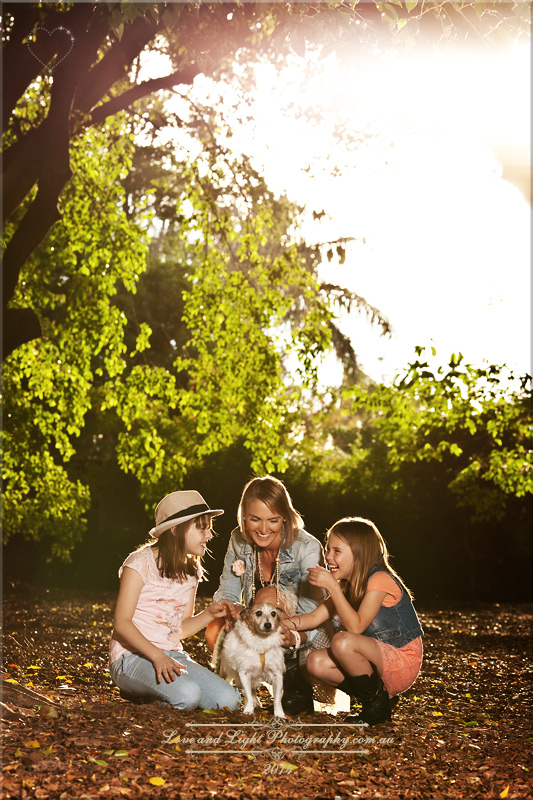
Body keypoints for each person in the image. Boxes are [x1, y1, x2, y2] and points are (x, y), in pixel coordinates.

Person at [283, 516, 423, 725]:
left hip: (401, 659)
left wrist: (331, 587)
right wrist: (280, 624)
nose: (328, 556)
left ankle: (375, 706)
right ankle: (378, 699)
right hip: (376, 659)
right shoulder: (346, 587)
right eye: (327, 549)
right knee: (315, 663)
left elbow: (356, 627)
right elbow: (314, 618)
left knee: (342, 641)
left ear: (359, 554)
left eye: (336, 551)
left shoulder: (379, 579)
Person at [206, 476, 328, 714]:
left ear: (285, 517)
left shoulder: (307, 547)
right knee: (216, 626)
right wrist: (233, 614)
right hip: (260, 618)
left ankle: (294, 681)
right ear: (243, 517)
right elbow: (228, 592)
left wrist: (295, 635)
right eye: (254, 519)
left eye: (273, 520)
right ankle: (246, 686)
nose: (263, 529)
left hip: (306, 627)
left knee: (266, 596)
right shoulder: (238, 539)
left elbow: (312, 611)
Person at [109, 490, 241, 712]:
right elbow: (121, 624)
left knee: (228, 700)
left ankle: (160, 691)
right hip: (130, 658)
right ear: (176, 529)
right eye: (202, 527)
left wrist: (209, 614)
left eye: (209, 527)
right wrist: (157, 657)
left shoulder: (191, 571)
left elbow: (178, 630)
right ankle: (144, 691)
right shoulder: (139, 564)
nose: (209, 535)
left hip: (172, 655)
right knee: (188, 695)